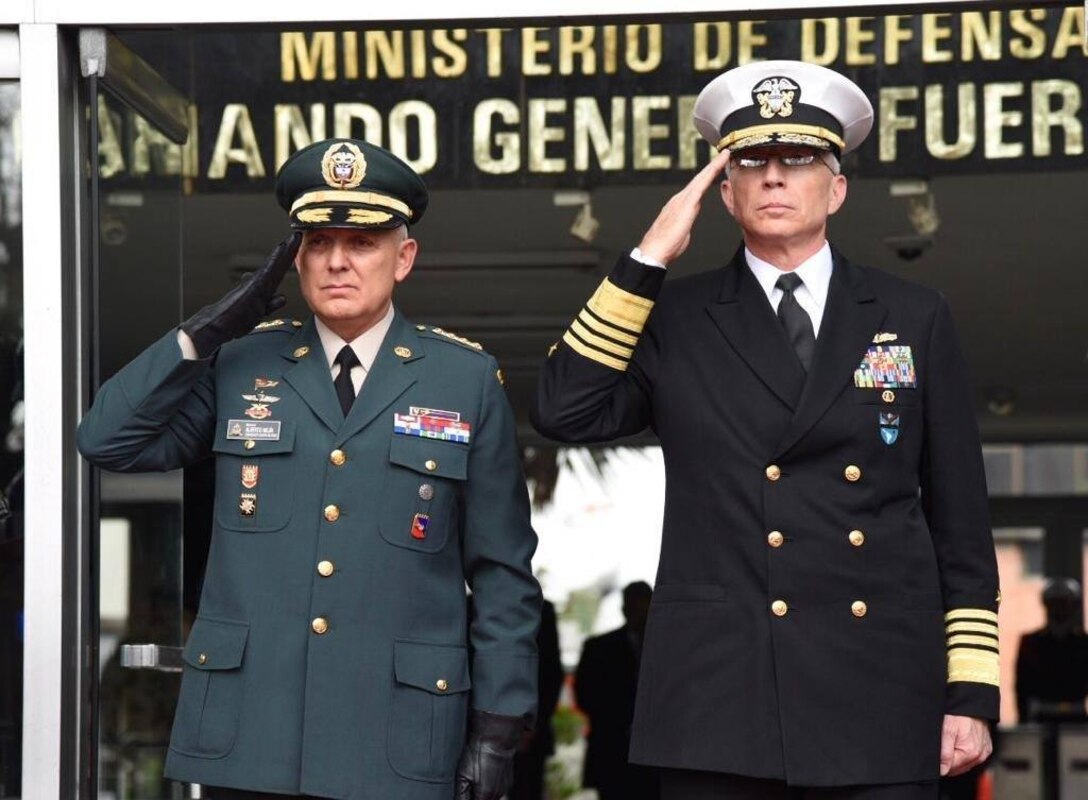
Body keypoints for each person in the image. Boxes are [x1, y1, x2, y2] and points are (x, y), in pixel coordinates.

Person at [532, 61, 999, 799]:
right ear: (724, 192)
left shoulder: (911, 315)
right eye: (750, 163)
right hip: (723, 700)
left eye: (798, 161)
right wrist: (647, 259)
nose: (774, 179)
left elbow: (961, 523)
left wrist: (970, 694)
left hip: (877, 689)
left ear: (836, 188)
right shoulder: (675, 318)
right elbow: (564, 410)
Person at [78, 138, 541, 800]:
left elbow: (502, 572)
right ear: (296, 258)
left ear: (403, 257)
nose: (337, 262)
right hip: (249, 737)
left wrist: (500, 724)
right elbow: (106, 439)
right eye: (319, 243)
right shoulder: (241, 364)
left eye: (361, 242)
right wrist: (202, 334)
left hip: (397, 737)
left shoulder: (461, 380)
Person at [574, 581, 659, 800]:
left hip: (653, 759)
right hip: (612, 750)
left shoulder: (669, 650)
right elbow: (585, 696)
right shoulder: (598, 648)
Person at [508, 599, 563, 800]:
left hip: (529, 727)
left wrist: (534, 720)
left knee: (527, 788)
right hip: (474, 726)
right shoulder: (471, 605)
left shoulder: (541, 610)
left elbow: (551, 672)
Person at [1016, 578, 1088, 723]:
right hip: (1040, 718)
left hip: (1077, 720)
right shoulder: (1031, 642)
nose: (1058, 609)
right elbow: (1021, 687)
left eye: (1063, 603)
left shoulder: (1084, 643)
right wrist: (1023, 720)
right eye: (1054, 603)